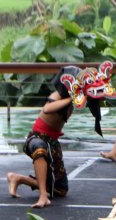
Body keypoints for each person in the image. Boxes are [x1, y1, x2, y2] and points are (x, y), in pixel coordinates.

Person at [7, 67, 75, 208]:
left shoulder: (72, 100)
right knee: (40, 149)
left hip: (53, 142)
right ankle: (43, 196)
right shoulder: (57, 95)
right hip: (37, 137)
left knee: (61, 190)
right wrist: (71, 98)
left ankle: (18, 178)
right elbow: (47, 109)